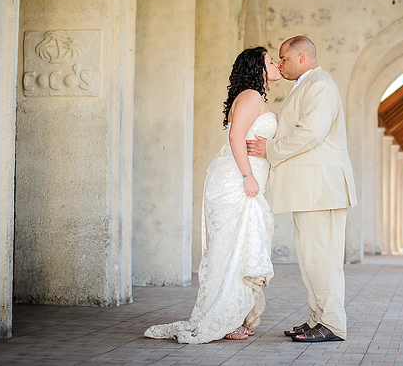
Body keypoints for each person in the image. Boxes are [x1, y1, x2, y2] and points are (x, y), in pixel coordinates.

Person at [144, 47, 281, 344]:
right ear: (258, 68)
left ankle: (234, 316)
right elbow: (235, 137)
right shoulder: (251, 96)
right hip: (236, 180)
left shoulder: (254, 97)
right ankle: (224, 318)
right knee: (231, 250)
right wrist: (247, 176)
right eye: (271, 61)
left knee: (239, 248)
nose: (276, 64)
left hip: (244, 178)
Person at [247, 35, 357, 343]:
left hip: (320, 188)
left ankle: (332, 324)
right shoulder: (308, 85)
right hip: (310, 189)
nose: (280, 65)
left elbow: (311, 132)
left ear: (301, 58)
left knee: (322, 258)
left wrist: (271, 149)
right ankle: (316, 319)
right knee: (311, 259)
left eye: (283, 58)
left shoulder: (321, 85)